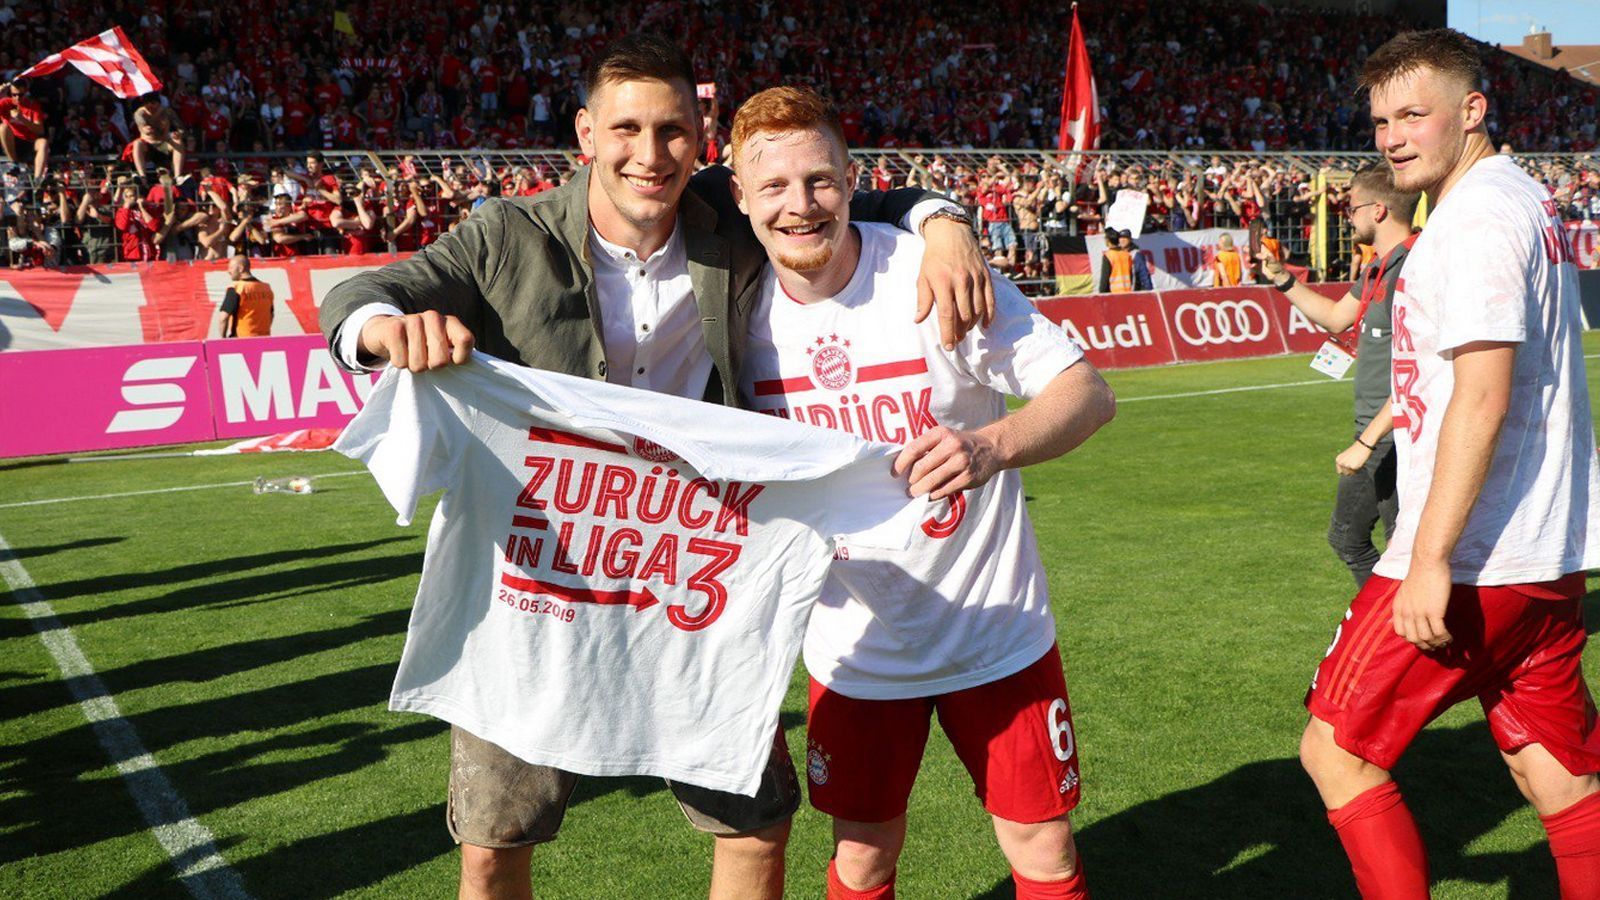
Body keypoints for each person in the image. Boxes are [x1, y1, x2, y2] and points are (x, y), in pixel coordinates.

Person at [317, 34, 993, 900]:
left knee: (754, 825)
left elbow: (861, 195)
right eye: (628, 129)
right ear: (585, 134)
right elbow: (366, 294)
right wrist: (383, 331)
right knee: (495, 841)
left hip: (692, 577)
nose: (651, 154)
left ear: (702, 137)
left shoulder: (727, 216)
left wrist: (945, 223)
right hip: (536, 585)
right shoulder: (506, 236)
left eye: (673, 130)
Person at [730, 85, 1115, 900]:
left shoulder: (927, 269)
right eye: (774, 187)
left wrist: (991, 444)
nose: (801, 206)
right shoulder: (732, 309)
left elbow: (1086, 393)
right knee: (863, 857)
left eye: (821, 181)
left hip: (994, 631)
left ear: (850, 177)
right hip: (853, 649)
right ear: (740, 197)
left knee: (1042, 850)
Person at [1300, 29, 1600, 898]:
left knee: (1336, 752)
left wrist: (1429, 559)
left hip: (1477, 556)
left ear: (1472, 111)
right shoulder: (1520, 197)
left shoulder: (1472, 221)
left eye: (1413, 114)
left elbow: (1482, 394)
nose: (1391, 137)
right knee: (1561, 776)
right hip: (1543, 553)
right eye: (1381, 120)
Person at [1260, 162, 1418, 585]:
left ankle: (1412, 639)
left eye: (1351, 208)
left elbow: (1417, 368)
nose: (1348, 217)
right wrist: (1282, 279)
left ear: (1378, 211)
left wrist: (1368, 442)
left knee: (1405, 551)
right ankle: (1391, 631)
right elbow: (1335, 319)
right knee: (1347, 537)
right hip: (1373, 432)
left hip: (1397, 436)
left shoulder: (1414, 269)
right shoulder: (1377, 268)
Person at [0, 80, 49, 180]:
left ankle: (37, 179)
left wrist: (22, 119)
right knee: (3, 127)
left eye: (20, 95)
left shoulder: (33, 106)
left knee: (43, 142)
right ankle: (14, 164)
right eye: (14, 95)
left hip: (29, 141)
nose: (17, 98)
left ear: (25, 92)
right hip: (12, 142)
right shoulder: (5, 103)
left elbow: (40, 131)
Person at [215, 255, 274, 337]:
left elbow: (223, 318)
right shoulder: (266, 288)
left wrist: (223, 339)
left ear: (240, 268)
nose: (228, 271)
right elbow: (270, 315)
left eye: (231, 267)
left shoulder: (236, 288)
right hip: (264, 339)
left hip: (241, 340)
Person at [131, 95, 186, 180]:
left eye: (153, 103)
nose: (150, 107)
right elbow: (143, 127)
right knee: (137, 143)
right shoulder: (140, 113)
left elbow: (181, 129)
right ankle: (142, 176)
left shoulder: (168, 112)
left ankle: (177, 176)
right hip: (147, 144)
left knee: (178, 142)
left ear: (158, 104)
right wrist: (146, 128)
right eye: (147, 104)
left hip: (164, 142)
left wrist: (178, 134)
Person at [1097, 228, 1152, 294]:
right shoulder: (1125, 254)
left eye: (1125, 238)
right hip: (1125, 293)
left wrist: (1148, 291)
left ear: (1130, 239)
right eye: (1121, 238)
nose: (1122, 240)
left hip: (1125, 292)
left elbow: (1143, 275)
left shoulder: (1134, 255)